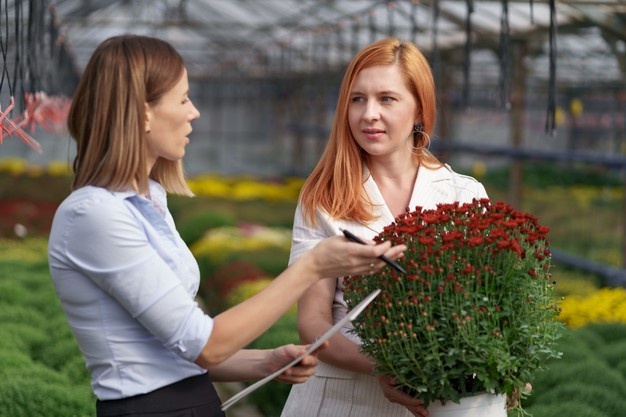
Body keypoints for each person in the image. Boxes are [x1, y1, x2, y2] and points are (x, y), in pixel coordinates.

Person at [47, 34, 407, 417]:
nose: (194, 112)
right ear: (143, 111)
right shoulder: (94, 215)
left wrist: (264, 362)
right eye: (183, 98)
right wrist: (314, 266)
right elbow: (205, 345)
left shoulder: (147, 205)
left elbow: (178, 348)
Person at [280, 37, 488, 417]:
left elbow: (480, 307)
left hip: (436, 401)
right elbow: (312, 323)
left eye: (387, 99)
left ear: (419, 109)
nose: (368, 114)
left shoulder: (464, 193)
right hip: (337, 400)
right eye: (357, 99)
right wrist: (387, 365)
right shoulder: (325, 197)